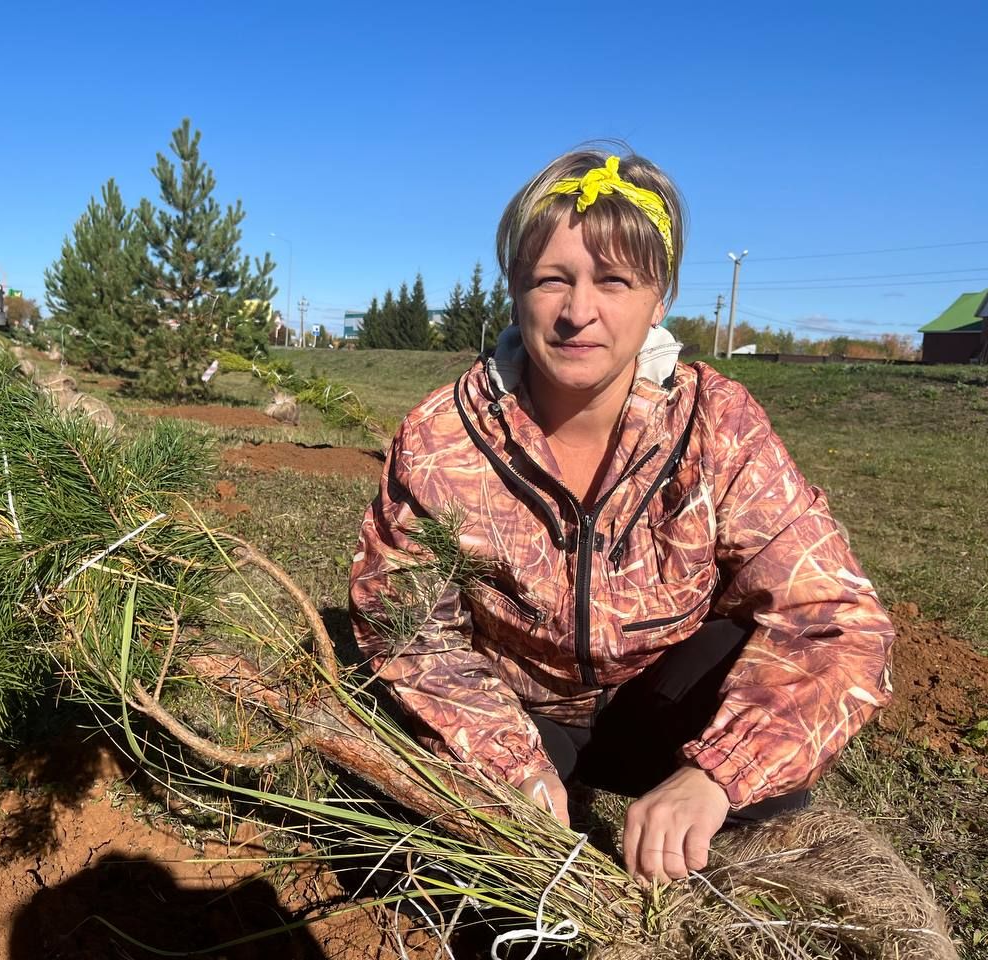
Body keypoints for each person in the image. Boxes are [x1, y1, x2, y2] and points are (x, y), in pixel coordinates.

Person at [348, 146, 894, 886]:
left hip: (659, 703)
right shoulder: (444, 435)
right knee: (444, 857)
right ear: (515, 290)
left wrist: (719, 774)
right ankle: (545, 789)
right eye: (552, 280)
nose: (579, 312)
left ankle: (687, 806)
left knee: (766, 758)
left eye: (614, 280)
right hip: (520, 703)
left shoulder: (716, 424)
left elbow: (836, 616)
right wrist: (509, 765)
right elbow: (407, 628)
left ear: (659, 297)